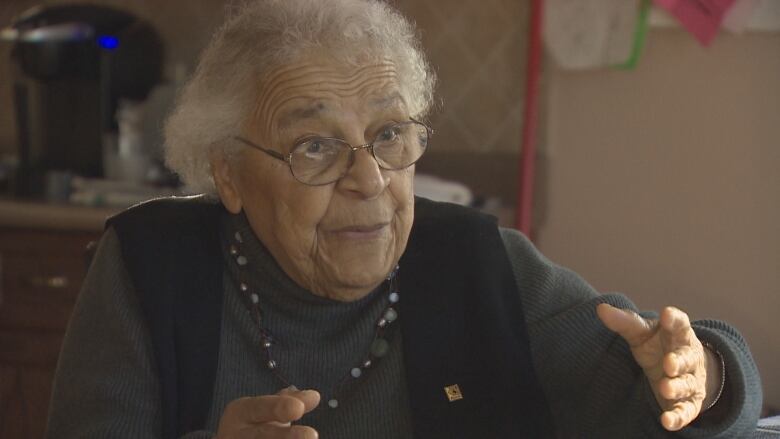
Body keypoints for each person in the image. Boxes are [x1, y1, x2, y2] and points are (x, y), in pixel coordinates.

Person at [46, 0, 763, 438]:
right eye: (315, 146)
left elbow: (671, 388)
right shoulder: (151, 268)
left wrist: (705, 376)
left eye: (390, 135)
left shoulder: (479, 263)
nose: (368, 181)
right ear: (230, 174)